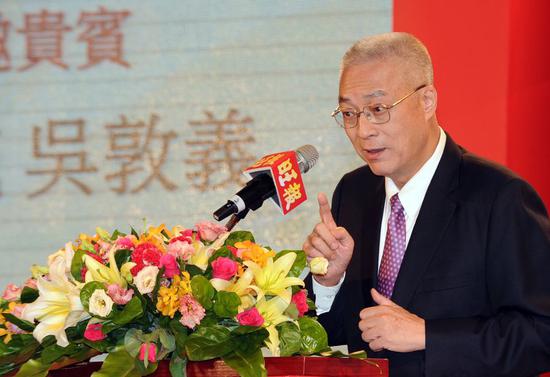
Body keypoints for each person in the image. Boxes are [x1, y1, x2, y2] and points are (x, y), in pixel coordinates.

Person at [303, 32, 550, 377]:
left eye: (378, 109)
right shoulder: (354, 193)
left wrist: (427, 335)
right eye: (349, 113)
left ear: (427, 101)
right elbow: (345, 338)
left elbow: (540, 335)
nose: (363, 130)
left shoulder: (498, 197)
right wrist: (329, 286)